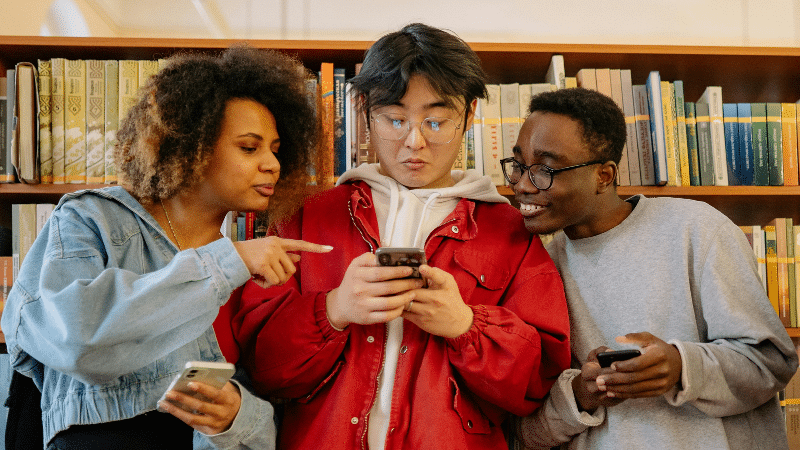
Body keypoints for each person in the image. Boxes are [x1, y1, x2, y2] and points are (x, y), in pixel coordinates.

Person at [226, 23, 571, 450]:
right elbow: (262, 367)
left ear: (470, 115)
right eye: (394, 119)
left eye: (436, 121)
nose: (414, 142)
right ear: (363, 110)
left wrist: (466, 326)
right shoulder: (306, 218)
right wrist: (334, 309)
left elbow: (536, 384)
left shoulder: (511, 235)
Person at [1, 45, 333, 449]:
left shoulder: (252, 268)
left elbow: (267, 421)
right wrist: (227, 264)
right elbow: (75, 339)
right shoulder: (93, 220)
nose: (272, 165)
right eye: (249, 147)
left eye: (276, 151)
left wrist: (236, 415)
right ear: (188, 144)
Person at [508, 87, 799, 449]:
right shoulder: (536, 269)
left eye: (546, 169)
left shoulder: (698, 230)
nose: (521, 185)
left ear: (604, 175)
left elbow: (773, 364)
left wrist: (681, 366)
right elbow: (524, 435)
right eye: (519, 166)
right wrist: (581, 396)